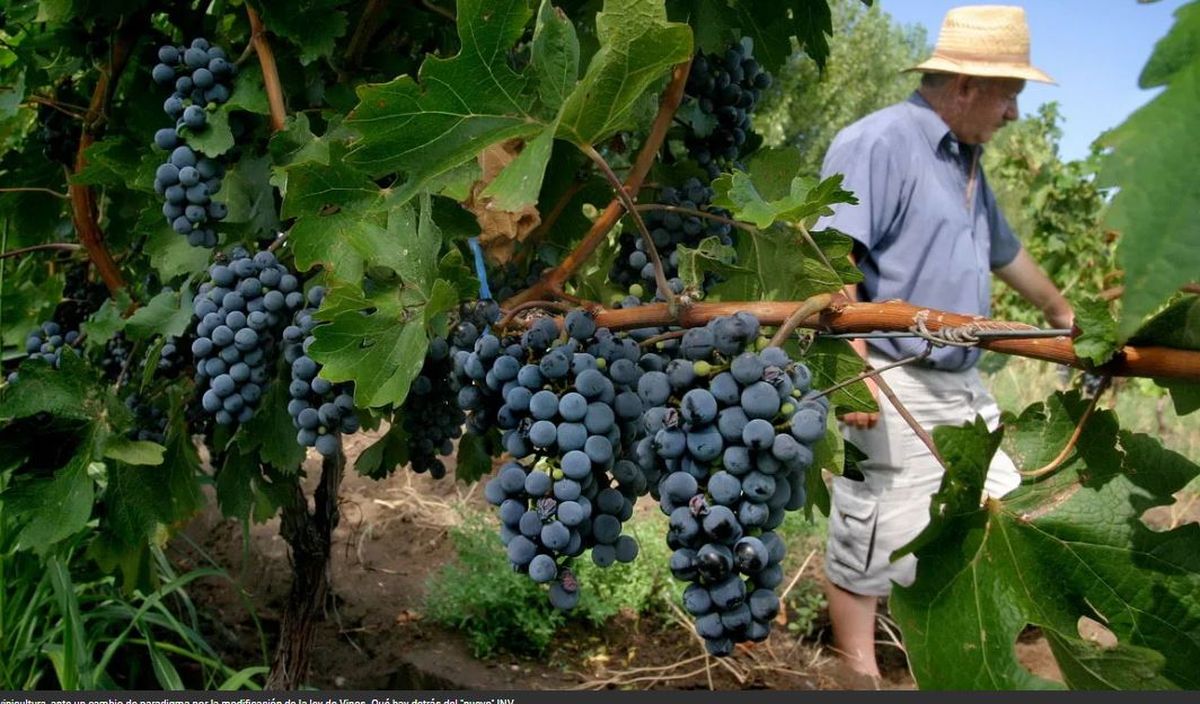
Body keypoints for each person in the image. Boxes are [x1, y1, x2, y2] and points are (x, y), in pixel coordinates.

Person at [813, 5, 1075, 681]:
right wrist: (851, 369)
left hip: (962, 382)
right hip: (890, 372)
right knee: (874, 521)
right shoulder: (879, 143)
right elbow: (828, 261)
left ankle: (954, 634)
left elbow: (1005, 253)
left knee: (1005, 502)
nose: (1013, 113)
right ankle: (858, 672)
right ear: (966, 87)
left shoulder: (966, 163)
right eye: (1010, 95)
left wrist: (1057, 307)